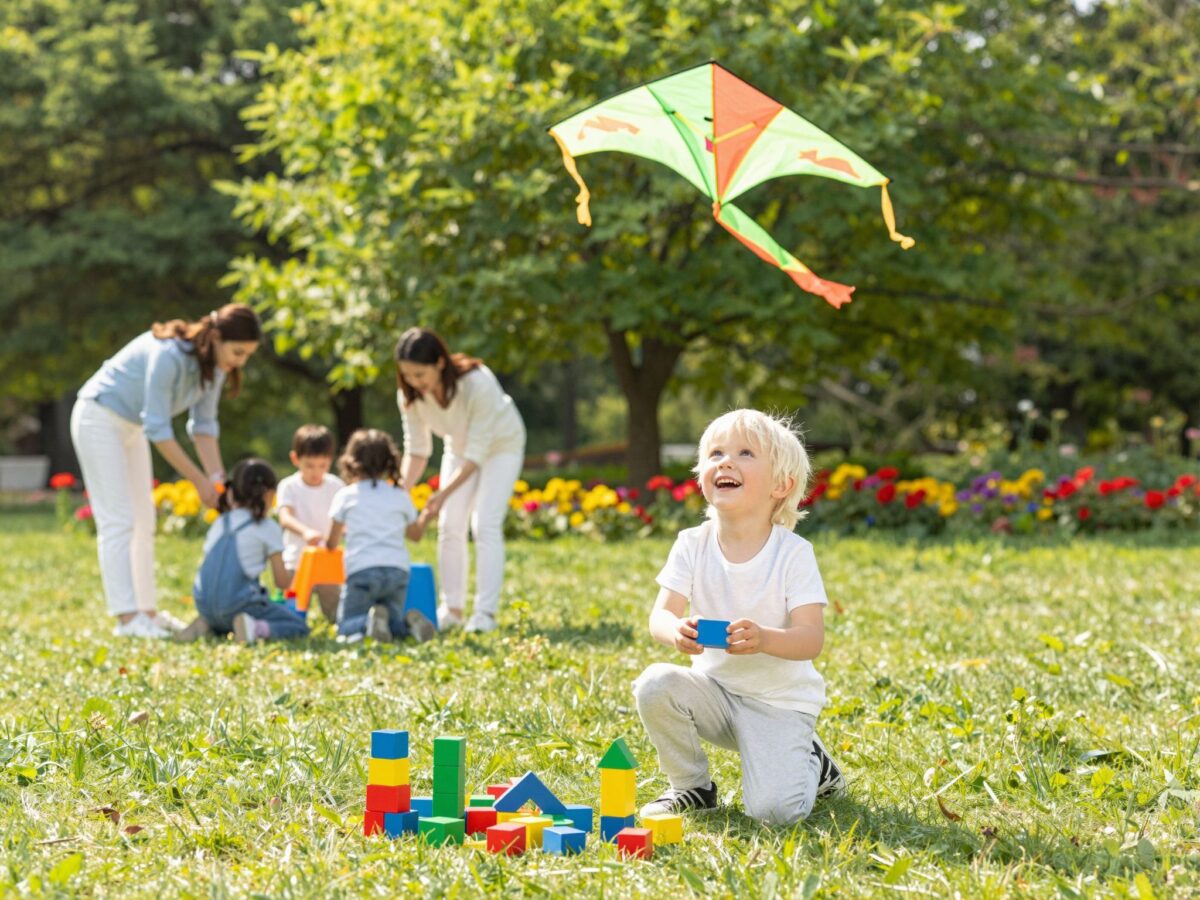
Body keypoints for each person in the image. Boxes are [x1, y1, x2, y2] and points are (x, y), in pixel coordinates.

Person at [633, 409, 846, 826]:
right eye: (715, 453)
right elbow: (660, 616)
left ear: (781, 485)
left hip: (778, 706)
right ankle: (692, 787)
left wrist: (766, 638)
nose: (725, 462)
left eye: (745, 453)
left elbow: (810, 638)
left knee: (773, 814)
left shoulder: (793, 553)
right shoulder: (691, 544)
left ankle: (815, 764)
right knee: (656, 684)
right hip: (715, 695)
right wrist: (676, 631)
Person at [70, 304, 261, 638]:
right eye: (238, 351)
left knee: (144, 522)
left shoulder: (214, 367)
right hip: (98, 417)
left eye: (247, 355)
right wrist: (198, 480)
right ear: (215, 337)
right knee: (119, 520)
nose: (240, 361)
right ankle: (127, 620)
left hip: (130, 428)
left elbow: (203, 426)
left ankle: (148, 613)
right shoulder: (168, 355)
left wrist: (217, 481)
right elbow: (158, 428)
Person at [395, 327, 526, 634]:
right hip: (459, 449)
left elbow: (478, 453)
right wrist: (400, 493)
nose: (414, 382)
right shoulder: (410, 396)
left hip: (501, 447)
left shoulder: (478, 382)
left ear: (440, 362)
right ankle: (451, 610)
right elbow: (416, 450)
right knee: (449, 525)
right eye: (407, 375)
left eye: (420, 374)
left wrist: (441, 495)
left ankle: (484, 614)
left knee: (484, 524)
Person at [181, 458, 310, 644]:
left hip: (204, 604)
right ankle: (255, 628)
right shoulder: (266, 527)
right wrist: (299, 571)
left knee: (224, 613)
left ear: (234, 492)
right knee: (297, 625)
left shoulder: (221, 522)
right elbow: (282, 582)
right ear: (268, 494)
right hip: (237, 605)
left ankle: (207, 625)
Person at [326, 429, 435, 643]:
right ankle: (408, 625)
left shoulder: (346, 495)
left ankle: (367, 623)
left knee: (346, 626)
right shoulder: (399, 496)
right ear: (389, 463)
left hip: (362, 570)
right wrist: (427, 516)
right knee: (391, 626)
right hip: (397, 571)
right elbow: (415, 535)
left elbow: (332, 542)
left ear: (351, 462)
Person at [276, 424, 345, 620]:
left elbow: (344, 520)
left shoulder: (336, 486)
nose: (316, 472)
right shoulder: (289, 486)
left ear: (330, 462)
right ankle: (290, 622)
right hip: (296, 559)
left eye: (322, 466)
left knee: (334, 611)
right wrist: (305, 532)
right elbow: (285, 517)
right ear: (295, 459)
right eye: (309, 465)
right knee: (291, 609)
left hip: (327, 558)